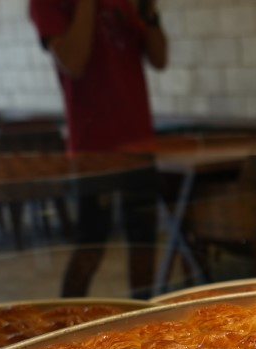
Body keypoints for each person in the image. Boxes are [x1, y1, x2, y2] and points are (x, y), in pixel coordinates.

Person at [29, 0, 168, 298]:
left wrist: (149, 13)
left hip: (139, 144)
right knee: (91, 245)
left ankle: (145, 324)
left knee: (144, 246)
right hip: (93, 150)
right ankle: (64, 327)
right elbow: (74, 63)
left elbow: (160, 58)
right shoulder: (46, 4)